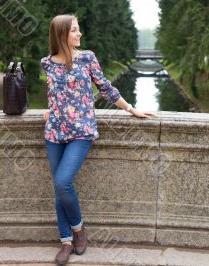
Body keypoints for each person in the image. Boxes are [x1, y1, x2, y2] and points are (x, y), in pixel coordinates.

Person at [40, 14, 154, 266]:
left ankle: (79, 229)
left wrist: (130, 109)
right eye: (74, 31)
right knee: (59, 188)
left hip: (81, 131)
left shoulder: (87, 58)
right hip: (54, 132)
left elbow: (105, 88)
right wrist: (50, 107)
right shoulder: (46, 63)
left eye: (78, 30)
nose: (79, 35)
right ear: (61, 34)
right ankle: (66, 241)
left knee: (62, 181)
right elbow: (54, 91)